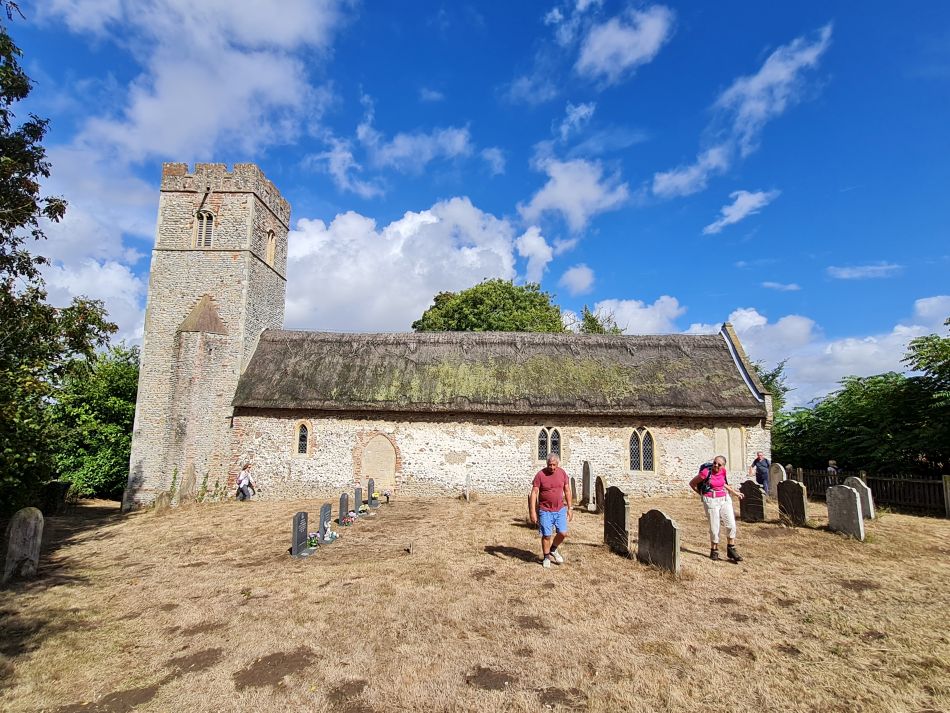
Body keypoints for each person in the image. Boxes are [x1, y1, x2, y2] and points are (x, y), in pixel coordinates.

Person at [689, 455, 744, 562]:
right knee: (715, 527)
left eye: (719, 464)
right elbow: (692, 483)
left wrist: (735, 493)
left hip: (724, 499)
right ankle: (714, 550)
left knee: (731, 524)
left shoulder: (723, 471)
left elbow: (724, 484)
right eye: (715, 463)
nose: (716, 465)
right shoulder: (705, 472)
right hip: (711, 500)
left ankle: (731, 549)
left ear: (723, 465)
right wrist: (702, 495)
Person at [528, 454, 572, 568]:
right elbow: (534, 493)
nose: (552, 467)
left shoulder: (562, 473)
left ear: (558, 464)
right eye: (550, 465)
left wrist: (570, 509)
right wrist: (532, 512)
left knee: (563, 532)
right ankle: (546, 557)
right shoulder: (540, 475)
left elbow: (567, 491)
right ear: (546, 464)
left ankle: (553, 549)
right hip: (545, 510)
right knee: (547, 535)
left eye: (554, 465)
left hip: (560, 509)